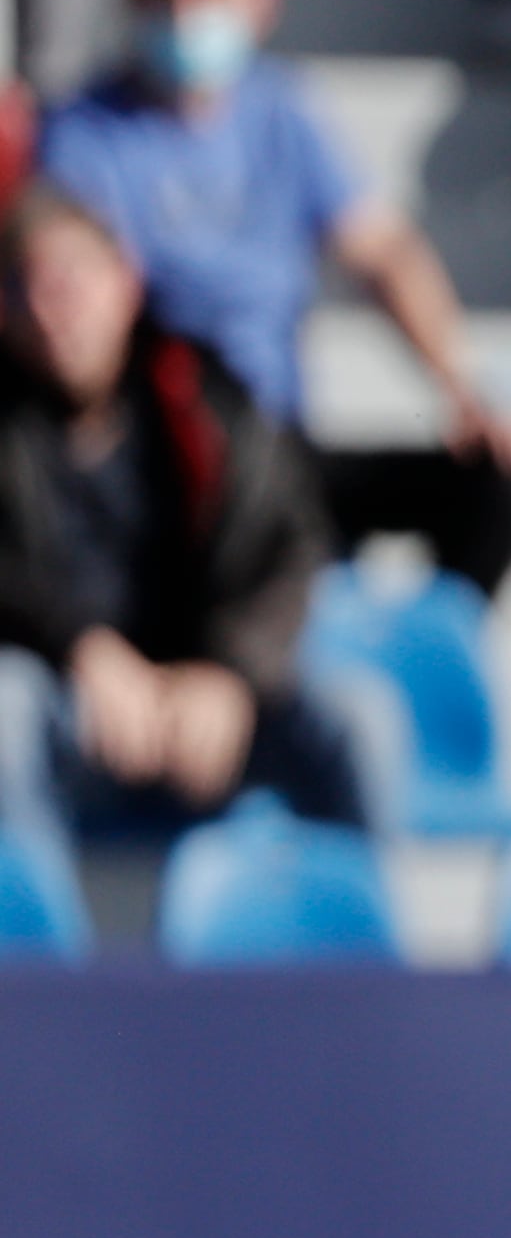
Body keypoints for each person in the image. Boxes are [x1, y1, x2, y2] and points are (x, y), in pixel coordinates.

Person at [40, 0, 511, 608]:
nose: (187, 10)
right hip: (162, 459)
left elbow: (382, 251)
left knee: (501, 483)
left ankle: (424, 655)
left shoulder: (284, 112)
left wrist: (463, 389)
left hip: (282, 449)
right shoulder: (81, 137)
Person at [0, 188, 349, 837]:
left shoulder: (206, 400)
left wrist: (232, 671)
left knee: (358, 722)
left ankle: (360, 929)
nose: (54, 311)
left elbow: (291, 544)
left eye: (72, 280)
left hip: (206, 696)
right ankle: (24, 928)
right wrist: (79, 647)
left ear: (125, 281)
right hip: (58, 699)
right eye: (27, 287)